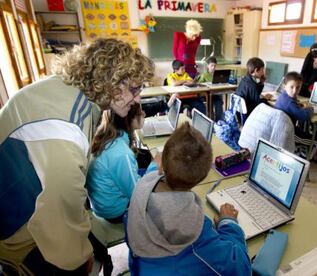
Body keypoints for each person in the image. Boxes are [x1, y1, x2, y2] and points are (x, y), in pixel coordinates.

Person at [0, 38, 154, 275]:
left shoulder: (70, 94)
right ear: (112, 82)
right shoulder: (68, 124)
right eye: (134, 89)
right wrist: (80, 257)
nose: (138, 98)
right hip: (16, 227)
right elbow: (62, 202)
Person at [126, 122, 251, 275]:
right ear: (200, 179)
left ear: (161, 167)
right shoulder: (194, 231)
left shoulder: (141, 186)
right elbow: (241, 269)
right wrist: (229, 223)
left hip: (141, 268)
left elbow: (152, 173)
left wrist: (158, 164)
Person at [86, 103, 159, 223]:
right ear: (129, 119)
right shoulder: (121, 153)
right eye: (140, 113)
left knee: (146, 165)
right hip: (115, 212)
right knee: (161, 188)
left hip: (101, 202)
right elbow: (137, 195)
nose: (144, 114)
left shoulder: (106, 135)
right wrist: (155, 165)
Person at [197, 56, 224, 121]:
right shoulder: (204, 75)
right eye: (212, 65)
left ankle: (218, 121)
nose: (213, 67)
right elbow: (198, 86)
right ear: (207, 66)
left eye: (215, 66)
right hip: (205, 95)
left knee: (219, 102)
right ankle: (210, 119)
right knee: (211, 103)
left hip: (214, 94)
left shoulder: (218, 74)